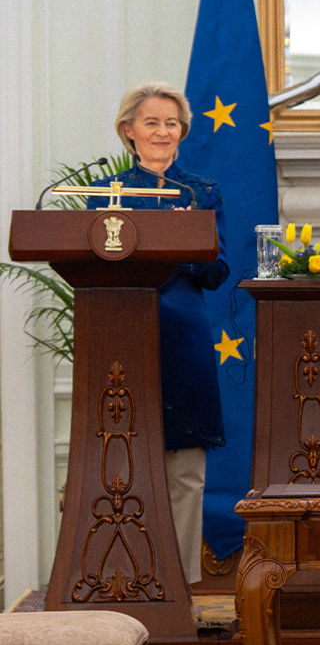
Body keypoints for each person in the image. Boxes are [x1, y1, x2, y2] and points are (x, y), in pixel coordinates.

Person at [87, 83, 229, 586]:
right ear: (129, 131)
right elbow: (94, 265)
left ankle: (183, 587)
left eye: (172, 123)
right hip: (123, 339)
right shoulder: (106, 194)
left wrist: (185, 240)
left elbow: (216, 272)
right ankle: (125, 580)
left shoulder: (202, 192)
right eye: (152, 122)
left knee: (185, 471)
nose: (163, 132)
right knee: (120, 464)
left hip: (184, 342)